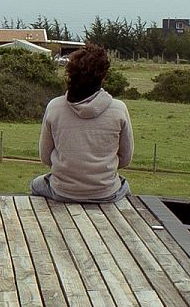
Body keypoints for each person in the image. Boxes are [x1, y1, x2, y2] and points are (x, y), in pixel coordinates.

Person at [30, 43, 133, 204]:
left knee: (36, 184)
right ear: (103, 75)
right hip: (106, 192)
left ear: (70, 73)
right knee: (125, 186)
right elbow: (125, 159)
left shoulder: (54, 107)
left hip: (62, 191)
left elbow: (45, 157)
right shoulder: (119, 109)